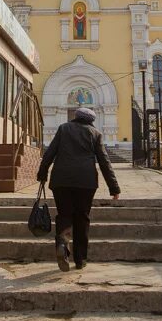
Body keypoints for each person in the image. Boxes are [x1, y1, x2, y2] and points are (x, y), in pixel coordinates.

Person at [37, 107, 120, 271]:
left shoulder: (63, 128)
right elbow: (104, 161)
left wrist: (42, 173)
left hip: (61, 180)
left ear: (76, 117)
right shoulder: (95, 133)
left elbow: (49, 153)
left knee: (64, 215)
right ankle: (80, 260)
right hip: (85, 181)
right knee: (82, 218)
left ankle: (62, 244)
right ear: (91, 121)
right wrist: (114, 187)